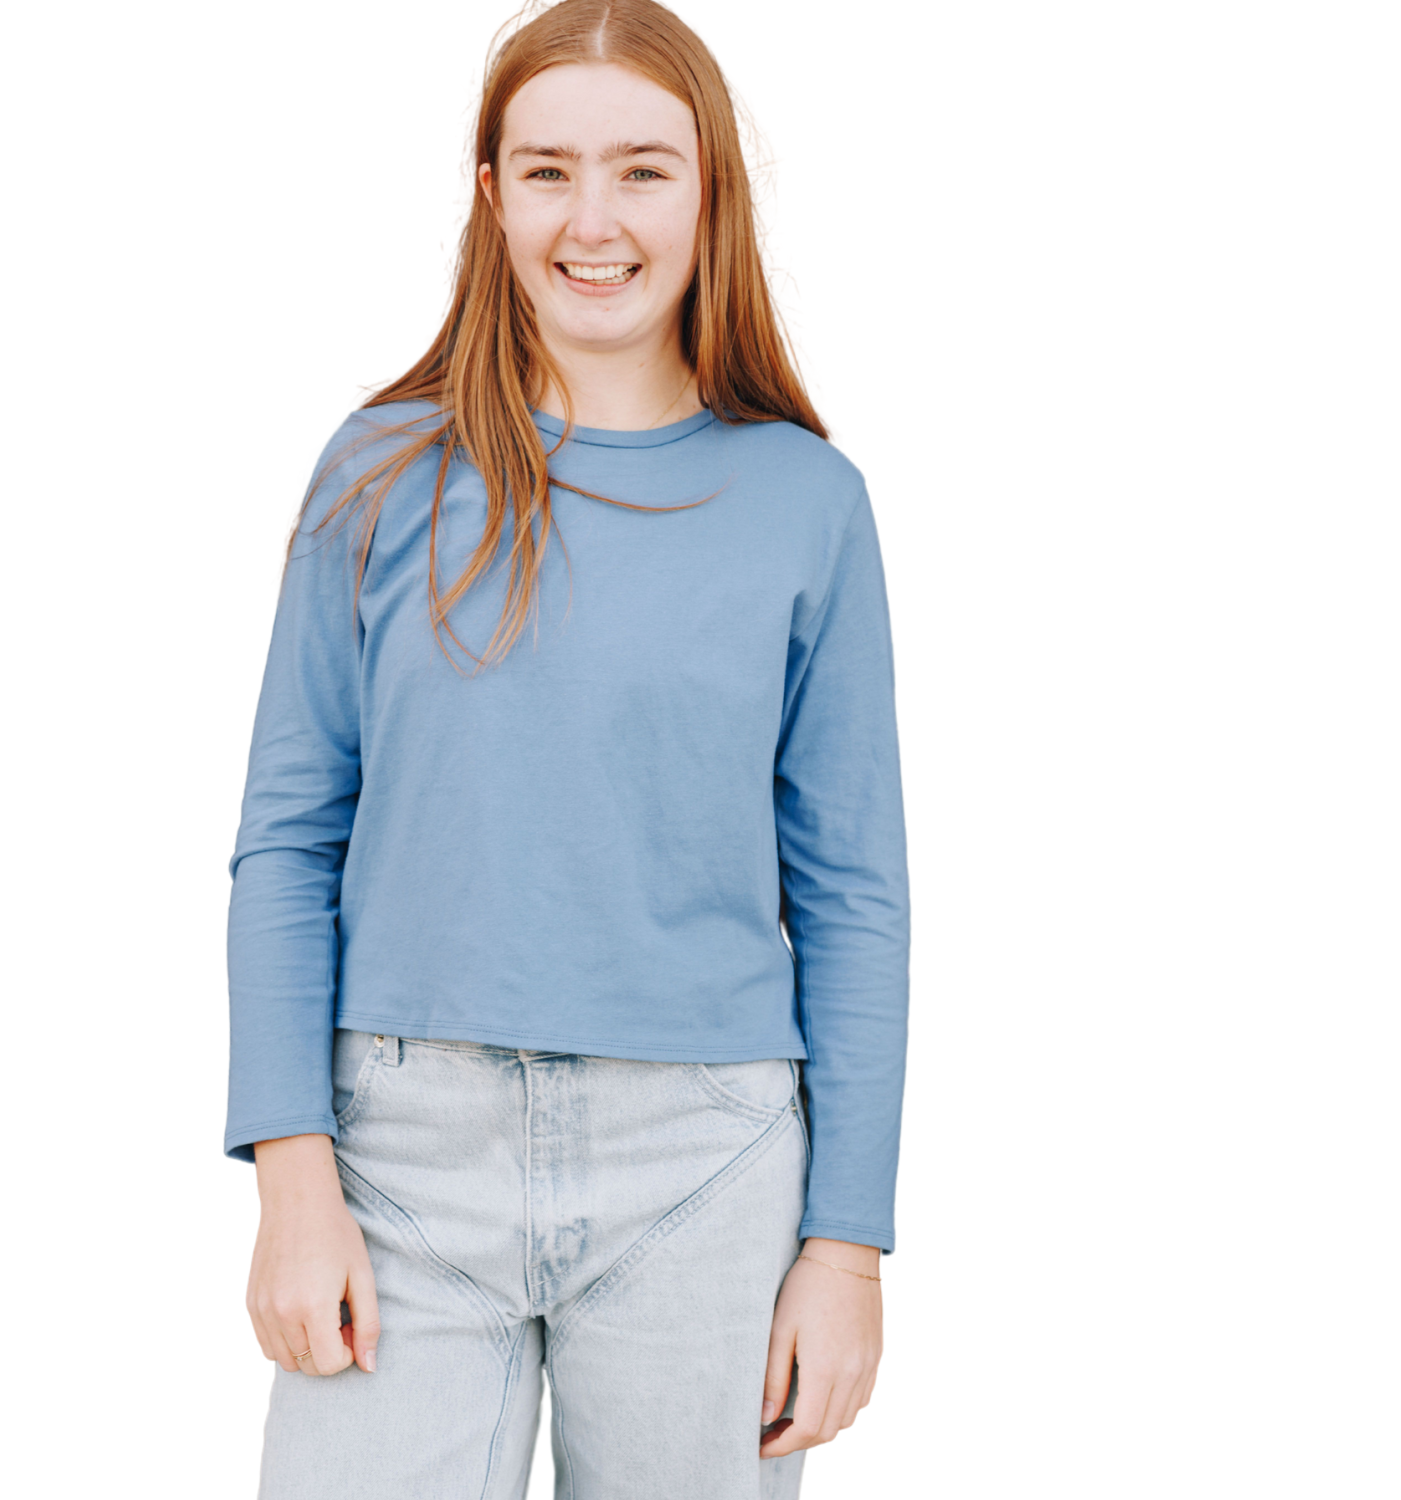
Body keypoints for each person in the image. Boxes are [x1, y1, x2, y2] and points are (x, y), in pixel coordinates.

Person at [224, 2, 910, 1495]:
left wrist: (846, 1245)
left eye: (642, 171)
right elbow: (288, 837)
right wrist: (290, 1172)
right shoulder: (379, 472)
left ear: (711, 193)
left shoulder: (807, 502)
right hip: (400, 1156)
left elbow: (852, 892)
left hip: (709, 1162)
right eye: (547, 171)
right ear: (492, 195)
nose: (592, 220)